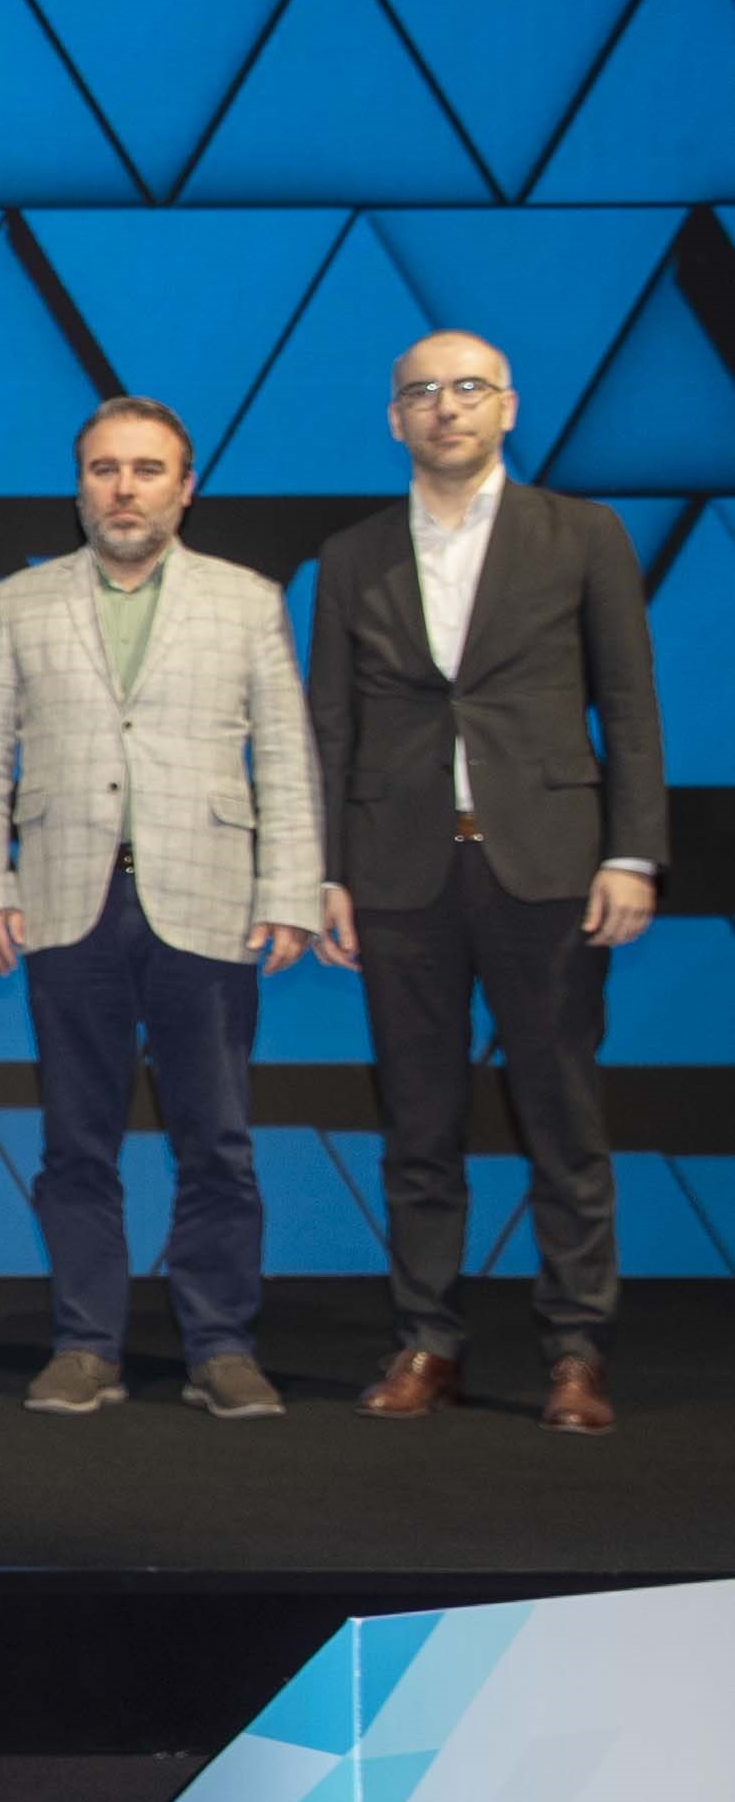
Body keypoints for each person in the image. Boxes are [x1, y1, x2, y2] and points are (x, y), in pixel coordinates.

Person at [311, 330, 665, 1435]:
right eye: (422, 391)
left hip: (550, 864)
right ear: (395, 419)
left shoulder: (584, 533)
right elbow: (331, 723)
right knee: (419, 1123)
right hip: (398, 872)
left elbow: (630, 702)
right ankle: (428, 1341)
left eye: (468, 388)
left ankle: (576, 1352)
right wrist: (325, 872)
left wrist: (631, 852)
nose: (446, 406)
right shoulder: (353, 555)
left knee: (563, 1116)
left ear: (506, 406)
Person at [0, 395, 322, 1421]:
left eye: (147, 470)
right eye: (105, 469)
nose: (124, 489)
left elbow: (285, 756)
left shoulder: (246, 600)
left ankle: (221, 1346)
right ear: (80, 484)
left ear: (186, 487)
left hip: (209, 898)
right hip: (63, 899)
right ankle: (87, 1344)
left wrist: (290, 889)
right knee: (77, 1143)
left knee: (218, 1141)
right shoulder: (20, 602)